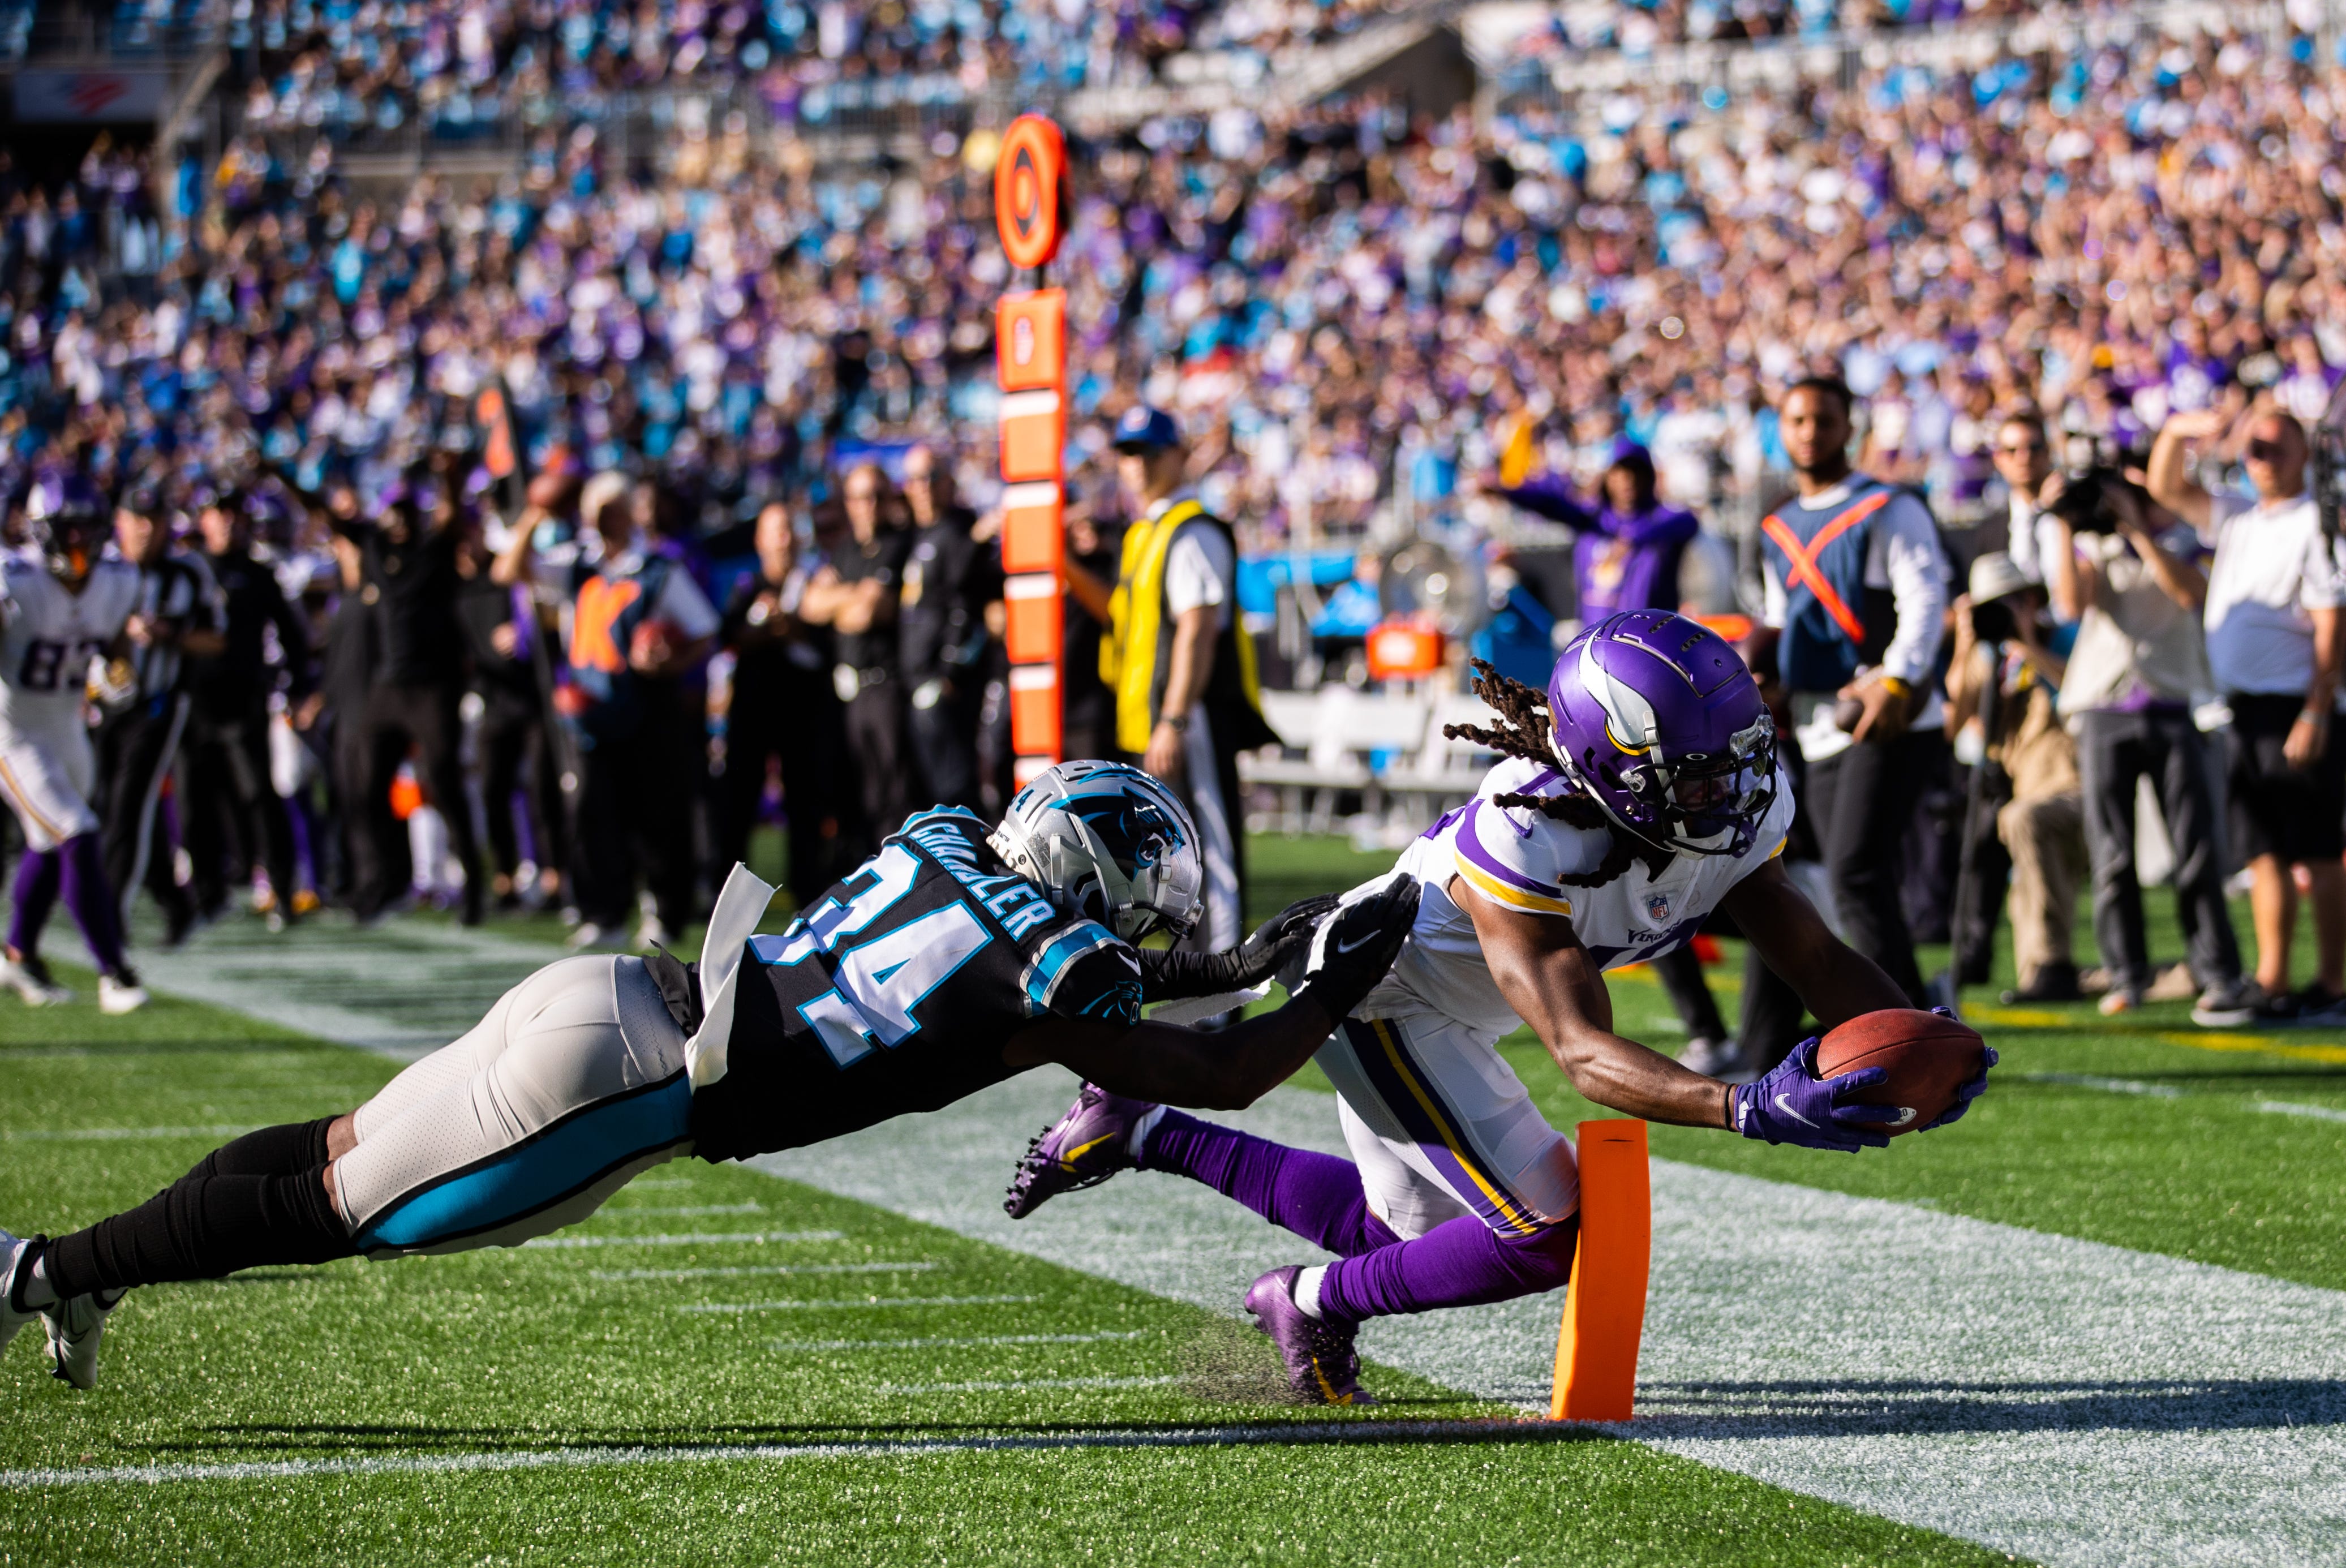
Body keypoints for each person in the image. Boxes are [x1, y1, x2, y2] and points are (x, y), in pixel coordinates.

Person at [0, 761, 1416, 1391]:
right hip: (636, 1082)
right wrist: (1328, 976)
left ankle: (85, 1268)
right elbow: (1220, 1075)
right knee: (345, 1209)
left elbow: (1013, 964)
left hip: (609, 994)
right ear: (1086, 876)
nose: (1137, 929)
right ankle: (39, 1270)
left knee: (326, 1147)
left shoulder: (948, 842)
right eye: (1134, 899)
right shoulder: (1048, 967)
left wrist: (1223, 958)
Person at [1006, 615, 1992, 1405]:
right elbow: (1582, 1051)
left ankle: (1144, 1134)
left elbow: (1813, 953)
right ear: (1611, 771)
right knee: (1545, 1229)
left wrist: (1920, 1043)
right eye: (1697, 772)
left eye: (1735, 758)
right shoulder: (1525, 837)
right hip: (1382, 995)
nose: (1728, 788)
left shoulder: (1717, 806)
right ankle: (1302, 1300)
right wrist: (1746, 1107)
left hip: (1456, 1012)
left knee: (1416, 1243)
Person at [1487, 438, 1734, 1072]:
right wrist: (1505, 488)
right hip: (1591, 698)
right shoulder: (1594, 526)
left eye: (1634, 473)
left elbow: (1683, 523)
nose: (1624, 484)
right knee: (1621, 860)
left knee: (1662, 861)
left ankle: (1709, 1026)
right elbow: (1558, 503)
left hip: (1650, 700)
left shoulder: (1662, 527)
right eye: (1616, 474)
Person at [1756, 376, 1953, 1008]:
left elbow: (1924, 596)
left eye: (1823, 419)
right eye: (1797, 420)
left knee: (1856, 875)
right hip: (1815, 721)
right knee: (1811, 880)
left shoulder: (1889, 506)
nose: (1810, 432)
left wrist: (1898, 675)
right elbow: (1776, 617)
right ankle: (1798, 1033)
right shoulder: (1776, 524)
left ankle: (1915, 1027)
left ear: (1851, 427)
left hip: (1887, 716)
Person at [2146, 406, 2346, 1021]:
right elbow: (2165, 488)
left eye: (2274, 447)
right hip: (2244, 708)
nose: (2260, 458)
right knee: (2263, 852)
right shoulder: (2239, 514)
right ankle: (2274, 977)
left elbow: (2331, 621)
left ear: (2304, 455)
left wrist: (2316, 706)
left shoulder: (2317, 520)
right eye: (2253, 447)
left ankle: (2334, 984)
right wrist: (2180, 430)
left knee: (2315, 850)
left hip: (2294, 705)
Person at [2043, 469, 2252, 1024]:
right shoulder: (2092, 548)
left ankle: (2216, 972)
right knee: (2111, 854)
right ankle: (2126, 973)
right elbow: (2068, 604)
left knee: (2196, 850)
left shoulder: (2187, 538)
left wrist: (2137, 531)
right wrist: (2064, 525)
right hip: (2103, 707)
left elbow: (2191, 594)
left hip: (2176, 705)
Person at [1072, 404, 1278, 961]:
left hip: (1187, 716)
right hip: (1154, 719)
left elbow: (1197, 632)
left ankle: (1227, 981)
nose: (1135, 464)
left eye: (1147, 453)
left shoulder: (1190, 529)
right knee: (1173, 861)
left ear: (1176, 456)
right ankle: (1195, 979)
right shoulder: (1147, 532)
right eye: (1128, 453)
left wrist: (1175, 716)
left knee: (1209, 852)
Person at [499, 476, 717, 952]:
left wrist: (670, 660)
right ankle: (605, 909)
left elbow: (703, 629)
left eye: (610, 508)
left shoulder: (657, 569)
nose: (602, 518)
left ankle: (662, 908)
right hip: (590, 711)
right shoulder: (577, 565)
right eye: (595, 508)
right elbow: (509, 570)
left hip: (644, 706)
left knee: (654, 816)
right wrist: (536, 513)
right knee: (595, 815)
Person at [0, 472, 148, 1013]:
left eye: (88, 531)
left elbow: (111, 647)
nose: (80, 543)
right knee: (77, 832)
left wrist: (114, 673)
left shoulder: (117, 579)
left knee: (48, 842)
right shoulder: (15, 578)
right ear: (43, 532)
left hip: (67, 725)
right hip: (13, 730)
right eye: (70, 531)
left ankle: (18, 953)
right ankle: (115, 971)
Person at [334, 478, 484, 926]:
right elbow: (333, 520)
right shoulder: (377, 553)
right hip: (389, 686)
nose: (398, 520)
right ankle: (387, 880)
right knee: (364, 786)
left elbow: (452, 520)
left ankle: (474, 884)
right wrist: (278, 474)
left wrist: (450, 477)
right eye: (392, 512)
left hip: (432, 687)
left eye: (405, 511)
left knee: (442, 781)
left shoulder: (434, 553)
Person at [1944, 553, 2088, 1005]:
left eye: (2010, 602)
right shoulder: (1990, 658)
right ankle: (2039, 973)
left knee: (2022, 820)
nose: (2003, 613)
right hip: (2026, 793)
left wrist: (2030, 646)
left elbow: (2084, 692)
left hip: (2078, 787)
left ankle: (2053, 966)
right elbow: (1954, 721)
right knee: (2021, 848)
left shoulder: (2065, 639)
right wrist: (1966, 644)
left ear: (2031, 600)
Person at [94, 486, 222, 946]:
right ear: (120, 522)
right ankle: (174, 899)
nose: (146, 528)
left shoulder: (187, 574)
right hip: (97, 707)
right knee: (105, 809)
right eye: (138, 517)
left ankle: (109, 921)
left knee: (128, 809)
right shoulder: (101, 569)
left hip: (157, 706)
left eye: (155, 517)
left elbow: (215, 638)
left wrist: (169, 635)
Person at [185, 486, 310, 931]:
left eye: (235, 513)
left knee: (259, 795)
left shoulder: (257, 573)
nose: (228, 522)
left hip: (243, 701)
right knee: (194, 802)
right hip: (194, 703)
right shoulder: (190, 570)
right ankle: (205, 896)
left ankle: (281, 889)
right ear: (204, 519)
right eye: (220, 513)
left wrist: (299, 684)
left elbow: (292, 635)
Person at [717, 501, 850, 907]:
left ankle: (808, 893)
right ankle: (726, 895)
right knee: (738, 801)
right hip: (753, 712)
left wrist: (789, 628)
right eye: (776, 531)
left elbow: (825, 646)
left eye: (790, 530)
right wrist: (769, 629)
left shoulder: (817, 584)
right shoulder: (746, 585)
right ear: (759, 540)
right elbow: (729, 637)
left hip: (803, 715)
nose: (784, 540)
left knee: (806, 805)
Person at [801, 463, 910, 845]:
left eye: (878, 496)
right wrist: (854, 593)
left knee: (895, 794)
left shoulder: (899, 542)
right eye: (861, 497)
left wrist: (840, 600)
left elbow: (870, 612)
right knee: (862, 798)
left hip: (887, 683)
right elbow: (810, 604)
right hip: (850, 690)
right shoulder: (846, 549)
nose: (870, 505)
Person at [453, 517, 553, 913]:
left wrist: (522, 631)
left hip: (531, 699)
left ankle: (553, 873)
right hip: (491, 701)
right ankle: (505, 875)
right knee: (493, 789)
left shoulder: (504, 572)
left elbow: (522, 587)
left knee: (543, 789)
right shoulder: (454, 589)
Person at [897, 444, 995, 813]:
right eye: (913, 479)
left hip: (943, 685)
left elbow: (966, 608)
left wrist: (949, 673)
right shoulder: (920, 535)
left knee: (958, 794)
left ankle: (970, 869)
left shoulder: (961, 531)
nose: (921, 487)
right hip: (918, 680)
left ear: (949, 482)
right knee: (935, 796)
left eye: (931, 477)